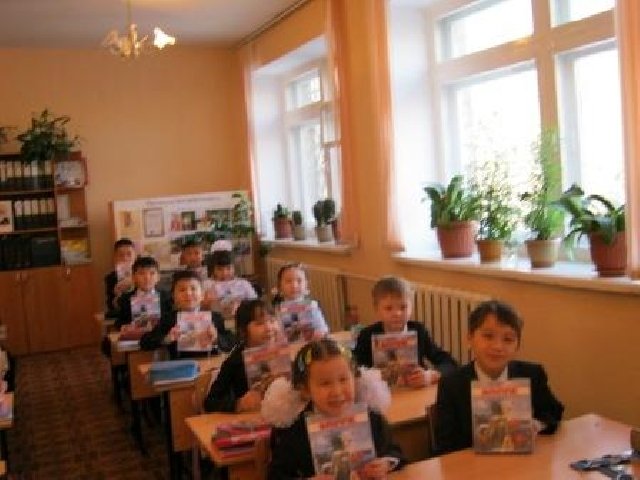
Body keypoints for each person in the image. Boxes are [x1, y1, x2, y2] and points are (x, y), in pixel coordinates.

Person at [262, 338, 405, 479]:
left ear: (355, 379)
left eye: (343, 379)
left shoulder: (372, 417)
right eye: (325, 383)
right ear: (305, 389)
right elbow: (275, 475)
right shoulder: (294, 431)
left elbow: (395, 452)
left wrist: (386, 463)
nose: (337, 391)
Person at [434, 300, 564, 455]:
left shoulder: (532, 374)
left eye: (508, 339)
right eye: (488, 336)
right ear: (470, 339)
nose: (498, 347)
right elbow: (445, 444)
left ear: (517, 346)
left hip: (521, 460)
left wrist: (537, 424)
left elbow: (554, 411)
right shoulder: (451, 384)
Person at [354, 276, 457, 388]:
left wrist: (430, 375)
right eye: (388, 308)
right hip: (381, 394)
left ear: (411, 307)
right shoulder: (367, 336)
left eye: (403, 307)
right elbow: (355, 370)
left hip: (416, 391)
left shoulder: (419, 330)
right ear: (377, 310)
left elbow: (449, 363)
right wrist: (374, 376)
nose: (397, 313)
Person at [204, 299, 281, 413]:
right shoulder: (235, 361)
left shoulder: (284, 352)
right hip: (252, 418)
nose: (269, 328)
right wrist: (239, 404)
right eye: (259, 324)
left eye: (272, 321)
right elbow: (210, 402)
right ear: (243, 331)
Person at [140, 270, 234, 357]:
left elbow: (232, 342)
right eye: (182, 290)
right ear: (173, 296)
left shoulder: (214, 317)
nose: (188, 293)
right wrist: (167, 338)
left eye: (193, 289)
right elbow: (144, 343)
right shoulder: (168, 318)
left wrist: (216, 337)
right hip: (180, 366)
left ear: (202, 295)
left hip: (210, 364)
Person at [114, 256, 172, 331]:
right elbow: (119, 322)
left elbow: (171, 319)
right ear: (133, 277)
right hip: (135, 336)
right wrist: (125, 327)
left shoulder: (167, 297)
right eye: (141, 273)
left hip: (160, 336)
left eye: (152, 273)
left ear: (158, 277)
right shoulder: (125, 298)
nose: (147, 277)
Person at [274, 263, 329, 341]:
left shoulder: (311, 305)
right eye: (288, 281)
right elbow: (278, 334)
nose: (294, 286)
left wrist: (319, 333)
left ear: (306, 284)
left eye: (299, 281)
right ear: (280, 286)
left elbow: (322, 329)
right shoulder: (279, 309)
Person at [202, 240, 258, 316]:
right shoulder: (206, 285)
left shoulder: (243, 284)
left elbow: (255, 304)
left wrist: (240, 303)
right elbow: (200, 309)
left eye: (228, 268)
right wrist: (207, 302)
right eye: (219, 269)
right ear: (213, 269)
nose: (224, 273)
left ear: (234, 267)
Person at [103, 238, 136, 318]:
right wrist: (117, 295)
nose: (125, 258)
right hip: (123, 316)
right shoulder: (111, 278)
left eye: (129, 254)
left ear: (135, 256)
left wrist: (134, 282)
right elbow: (111, 307)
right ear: (115, 257)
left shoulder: (143, 274)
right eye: (121, 255)